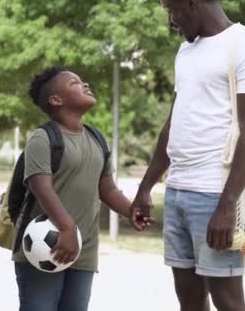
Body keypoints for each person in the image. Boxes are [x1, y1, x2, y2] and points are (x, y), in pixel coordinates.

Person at [132, 0, 245, 310]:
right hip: (178, 191)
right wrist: (146, 186)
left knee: (227, 299)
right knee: (188, 298)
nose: (172, 21)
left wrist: (227, 205)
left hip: (214, 193)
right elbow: (174, 123)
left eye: (172, 10)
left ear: (191, 2)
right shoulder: (186, 53)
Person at [14, 67, 153, 311]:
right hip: (46, 246)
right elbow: (41, 187)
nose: (85, 84)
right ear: (56, 100)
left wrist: (130, 211)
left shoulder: (96, 138)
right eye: (75, 83)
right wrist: (66, 228)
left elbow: (107, 190)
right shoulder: (42, 138)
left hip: (84, 248)